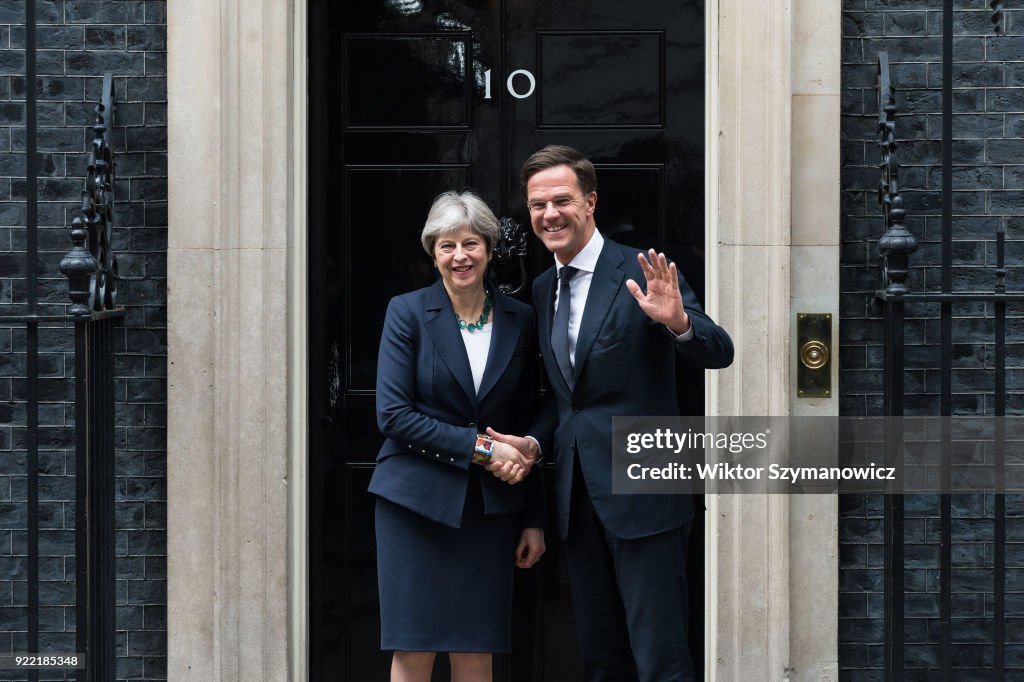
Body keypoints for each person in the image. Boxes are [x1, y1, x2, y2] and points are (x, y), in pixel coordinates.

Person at [489, 145, 734, 682]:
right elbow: (567, 400)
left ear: (590, 202)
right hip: (578, 502)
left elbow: (718, 351)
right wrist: (533, 443)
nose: (549, 214)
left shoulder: (642, 269)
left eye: (561, 200)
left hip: (645, 497)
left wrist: (678, 323)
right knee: (602, 660)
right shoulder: (543, 287)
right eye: (537, 205)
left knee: (661, 659)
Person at [369, 190, 545, 682]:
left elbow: (525, 418)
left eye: (470, 243)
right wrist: (484, 449)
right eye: (446, 246)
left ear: (489, 249)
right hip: (414, 507)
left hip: (489, 512)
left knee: (476, 650)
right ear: (433, 253)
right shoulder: (406, 312)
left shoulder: (521, 319)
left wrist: (533, 519)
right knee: (414, 650)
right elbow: (394, 416)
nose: (459, 256)